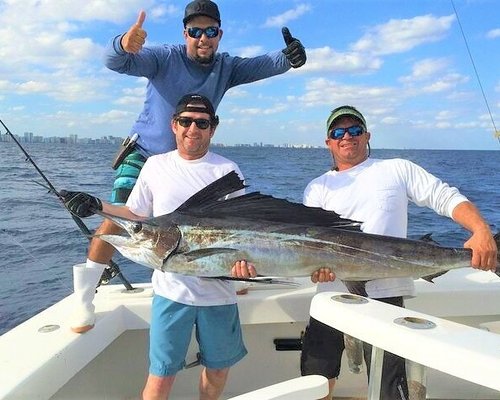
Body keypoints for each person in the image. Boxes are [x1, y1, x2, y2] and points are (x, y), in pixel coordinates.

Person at [70, 0, 307, 333]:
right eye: (195, 31)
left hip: (195, 161)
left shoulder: (226, 67)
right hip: (145, 154)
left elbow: (263, 64)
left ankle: (226, 270)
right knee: (119, 217)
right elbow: (115, 61)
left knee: (220, 223)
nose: (203, 38)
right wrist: (123, 44)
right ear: (185, 34)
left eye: (210, 31)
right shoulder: (164, 57)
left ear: (219, 34)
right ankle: (84, 295)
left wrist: (290, 57)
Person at [62, 94, 258, 400]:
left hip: (219, 294)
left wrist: (245, 270)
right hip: (171, 294)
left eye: (202, 123)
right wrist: (96, 204)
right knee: (161, 376)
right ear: (174, 126)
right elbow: (135, 216)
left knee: (218, 371)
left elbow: (244, 231)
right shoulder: (155, 166)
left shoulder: (227, 169)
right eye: (185, 121)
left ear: (213, 128)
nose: (193, 128)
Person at [299, 105, 498, 400]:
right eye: (337, 132)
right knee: (315, 379)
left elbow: (444, 197)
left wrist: (481, 230)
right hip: (330, 296)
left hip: (386, 296)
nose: (346, 137)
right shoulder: (316, 188)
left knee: (389, 387)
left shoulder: (396, 168)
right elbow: (310, 245)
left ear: (367, 135)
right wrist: (314, 268)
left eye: (354, 130)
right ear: (328, 142)